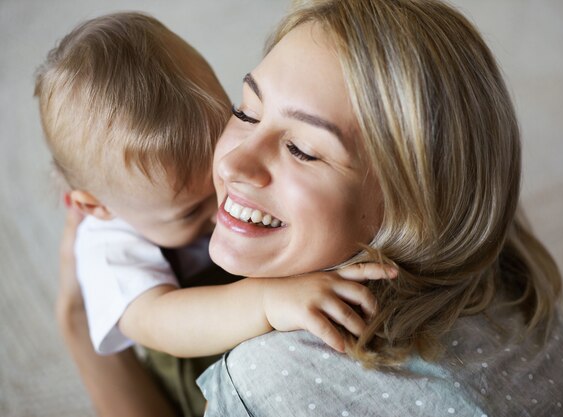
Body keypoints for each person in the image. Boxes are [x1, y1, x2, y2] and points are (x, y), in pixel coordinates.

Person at [193, 0, 563, 415]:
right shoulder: (507, 275)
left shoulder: (272, 376)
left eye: (302, 150)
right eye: (246, 113)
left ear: (410, 207)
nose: (234, 162)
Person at [37, 12, 391, 417]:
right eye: (190, 211)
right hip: (192, 373)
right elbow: (158, 322)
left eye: (241, 114)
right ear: (94, 206)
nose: (223, 204)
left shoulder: (213, 165)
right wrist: (265, 301)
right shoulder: (105, 243)